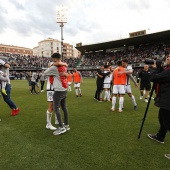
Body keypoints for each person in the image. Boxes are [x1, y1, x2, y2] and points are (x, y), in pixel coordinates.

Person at [147, 54, 170, 148]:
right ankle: (160, 136)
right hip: (166, 98)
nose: (167, 59)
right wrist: (159, 67)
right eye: (167, 57)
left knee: (168, 122)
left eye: (169, 58)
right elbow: (164, 76)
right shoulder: (167, 69)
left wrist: (155, 68)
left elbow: (154, 78)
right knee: (162, 119)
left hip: (167, 100)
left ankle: (160, 136)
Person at [44, 53, 70, 135]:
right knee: (64, 107)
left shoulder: (54, 67)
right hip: (64, 89)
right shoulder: (64, 66)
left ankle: (61, 127)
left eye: (53, 59)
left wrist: (52, 66)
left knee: (55, 108)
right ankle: (66, 125)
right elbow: (66, 72)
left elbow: (45, 73)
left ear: (55, 59)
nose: (52, 60)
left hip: (58, 90)